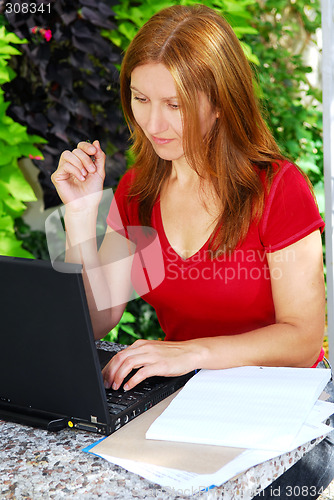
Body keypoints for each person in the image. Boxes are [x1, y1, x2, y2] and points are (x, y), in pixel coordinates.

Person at [52, 4, 333, 498]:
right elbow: (96, 321)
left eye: (176, 104)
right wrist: (80, 214)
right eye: (141, 98)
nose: (154, 122)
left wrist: (189, 353)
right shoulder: (139, 193)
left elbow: (304, 340)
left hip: (285, 414)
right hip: (186, 407)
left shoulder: (278, 188)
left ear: (221, 102)